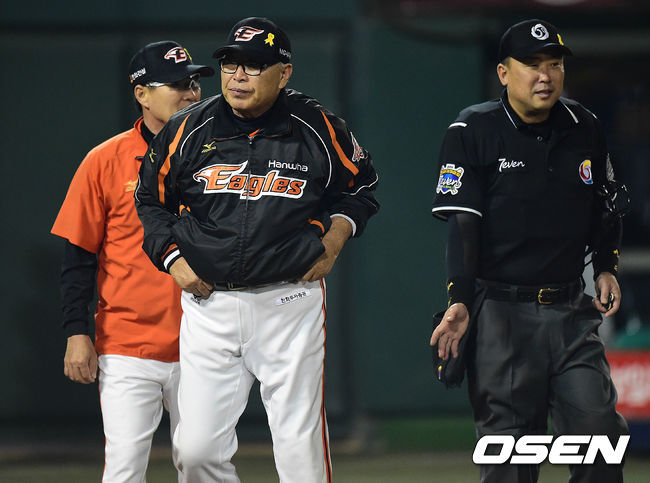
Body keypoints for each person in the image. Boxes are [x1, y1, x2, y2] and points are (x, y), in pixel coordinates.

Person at [135, 17, 379, 483]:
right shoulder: (187, 128)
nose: (238, 76)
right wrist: (171, 258)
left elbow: (362, 187)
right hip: (209, 305)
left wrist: (335, 239)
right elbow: (150, 200)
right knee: (195, 451)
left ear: (284, 74)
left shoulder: (317, 127)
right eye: (230, 64)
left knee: (299, 448)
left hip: (289, 300)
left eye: (254, 65)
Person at [430, 19, 629, 483]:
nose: (545, 75)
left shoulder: (584, 125)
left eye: (554, 64)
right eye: (532, 64)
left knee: (601, 443)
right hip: (502, 315)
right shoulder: (473, 128)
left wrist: (606, 265)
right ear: (503, 72)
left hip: (571, 312)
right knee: (512, 462)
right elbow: (463, 224)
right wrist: (460, 300)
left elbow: (607, 204)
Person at [51, 40, 214, 482]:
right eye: (177, 84)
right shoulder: (104, 160)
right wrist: (76, 332)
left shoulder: (223, 154)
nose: (190, 93)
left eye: (194, 83)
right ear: (141, 93)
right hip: (128, 344)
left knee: (204, 464)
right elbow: (78, 256)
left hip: (206, 340)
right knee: (124, 469)